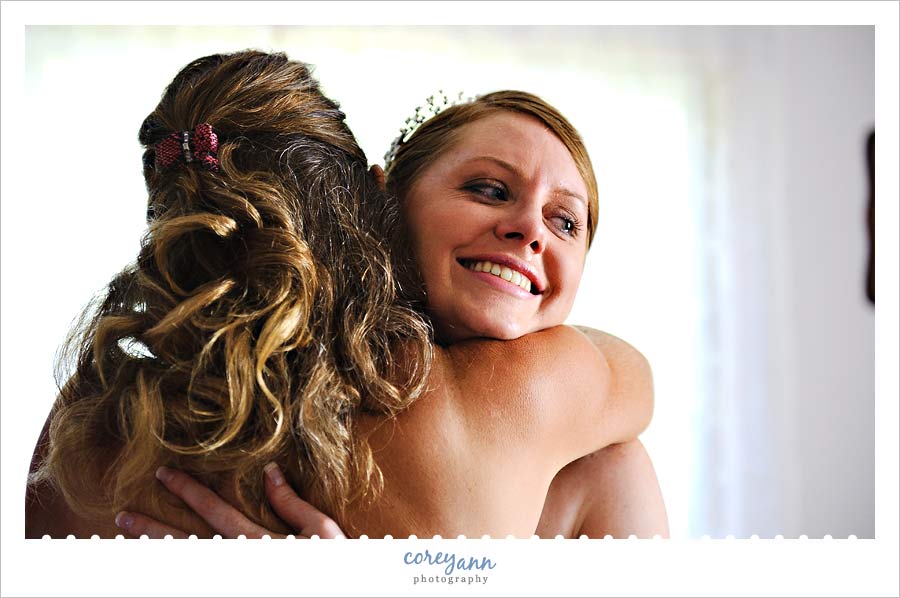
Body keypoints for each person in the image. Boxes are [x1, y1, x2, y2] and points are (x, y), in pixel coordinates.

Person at [26, 50, 662, 539]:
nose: (528, 229)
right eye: (488, 189)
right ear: (380, 199)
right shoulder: (526, 390)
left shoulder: (83, 415)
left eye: (567, 222)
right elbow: (635, 377)